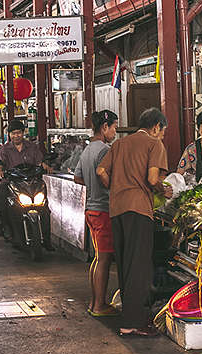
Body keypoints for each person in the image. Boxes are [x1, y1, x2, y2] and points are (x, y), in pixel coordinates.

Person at [97, 107, 173, 337]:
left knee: (125, 264)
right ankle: (133, 323)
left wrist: (116, 187)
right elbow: (152, 178)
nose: (162, 136)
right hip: (139, 210)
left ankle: (128, 318)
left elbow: (101, 170)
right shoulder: (154, 144)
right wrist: (164, 191)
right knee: (139, 266)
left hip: (117, 209)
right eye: (162, 131)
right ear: (156, 126)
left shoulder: (119, 144)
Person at [73, 110, 119, 317]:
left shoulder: (87, 150)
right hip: (103, 210)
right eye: (115, 128)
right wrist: (108, 188)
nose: (115, 132)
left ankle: (95, 303)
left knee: (98, 258)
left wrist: (92, 187)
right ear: (105, 127)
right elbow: (105, 176)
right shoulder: (104, 150)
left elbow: (77, 178)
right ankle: (99, 305)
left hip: (91, 209)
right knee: (104, 259)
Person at [0, 119, 53, 248]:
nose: (16, 135)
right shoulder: (5, 149)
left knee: (44, 208)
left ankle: (47, 240)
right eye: (13, 133)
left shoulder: (32, 147)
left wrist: (45, 165)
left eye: (19, 133)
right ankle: (6, 228)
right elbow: (0, 163)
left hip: (31, 181)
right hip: (12, 181)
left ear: (23, 133)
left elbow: (39, 160)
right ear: (9, 134)